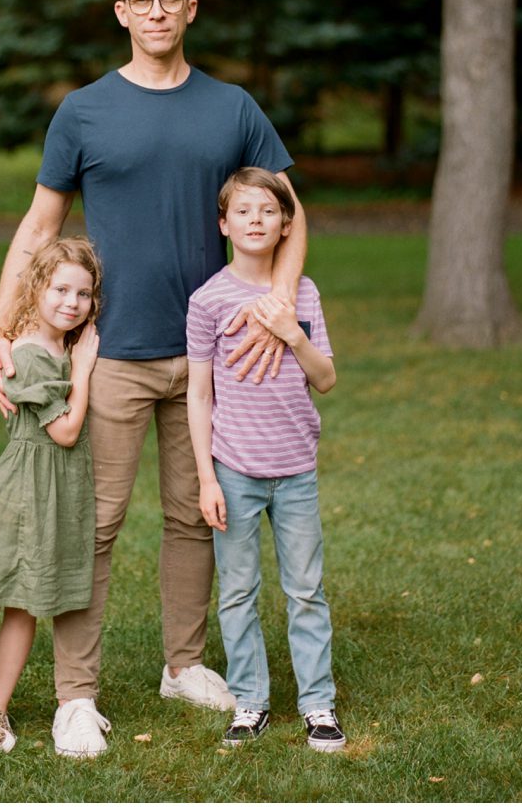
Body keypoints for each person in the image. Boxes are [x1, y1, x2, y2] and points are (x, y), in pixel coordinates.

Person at [0, 0, 308, 758]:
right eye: (142, 0)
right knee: (89, 528)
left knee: (196, 517)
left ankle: (183, 664)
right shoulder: (84, 111)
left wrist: (277, 302)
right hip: (109, 356)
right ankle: (76, 696)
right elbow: (39, 226)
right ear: (120, 12)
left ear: (191, 9)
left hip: (213, 358)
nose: (158, 12)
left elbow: (291, 214)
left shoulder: (232, 107)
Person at [186, 167, 346, 753]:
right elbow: (199, 393)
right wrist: (207, 478)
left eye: (268, 211)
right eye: (244, 211)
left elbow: (326, 379)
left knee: (306, 589)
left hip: (296, 469)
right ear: (224, 224)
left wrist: (291, 333)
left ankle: (318, 706)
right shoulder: (208, 300)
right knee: (238, 590)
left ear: (285, 224)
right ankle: (249, 702)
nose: (256, 220)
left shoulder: (303, 294)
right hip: (233, 469)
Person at [0, 237, 102, 752]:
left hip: (56, 491)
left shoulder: (63, 344)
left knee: (26, 603)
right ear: (37, 288)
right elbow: (63, 431)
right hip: (22, 491)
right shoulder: (31, 354)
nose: (71, 302)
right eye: (60, 289)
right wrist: (82, 373)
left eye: (83, 294)